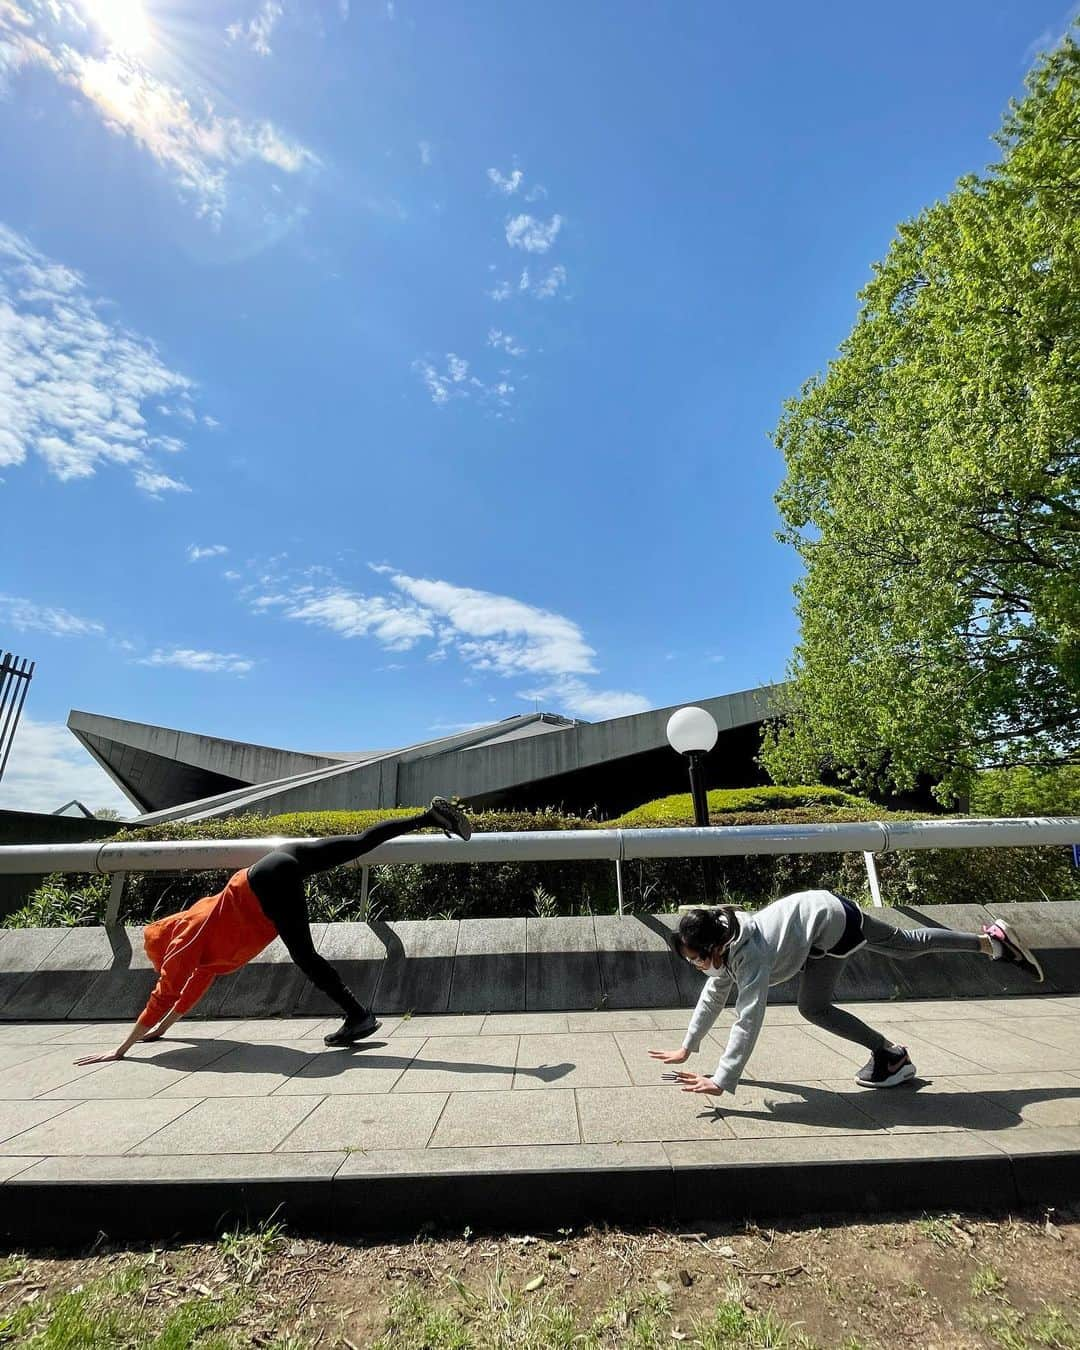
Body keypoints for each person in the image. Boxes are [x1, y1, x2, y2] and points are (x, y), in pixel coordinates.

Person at [74, 797, 472, 1066]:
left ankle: (358, 1015)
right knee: (357, 843)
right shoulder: (196, 936)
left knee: (306, 956)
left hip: (266, 887)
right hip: (277, 862)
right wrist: (160, 1033)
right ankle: (428, 817)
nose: (162, 967)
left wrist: (121, 1049)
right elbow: (190, 989)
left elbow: (167, 992)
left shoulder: (181, 944)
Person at [648, 893, 1043, 1094]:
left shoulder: (749, 957)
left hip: (832, 923)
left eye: (697, 959)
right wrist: (688, 1046)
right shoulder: (725, 945)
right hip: (821, 913)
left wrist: (722, 1079)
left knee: (816, 1005)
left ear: (715, 947)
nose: (697, 966)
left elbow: (747, 1018)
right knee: (905, 944)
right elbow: (713, 995)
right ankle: (991, 943)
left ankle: (892, 1054)